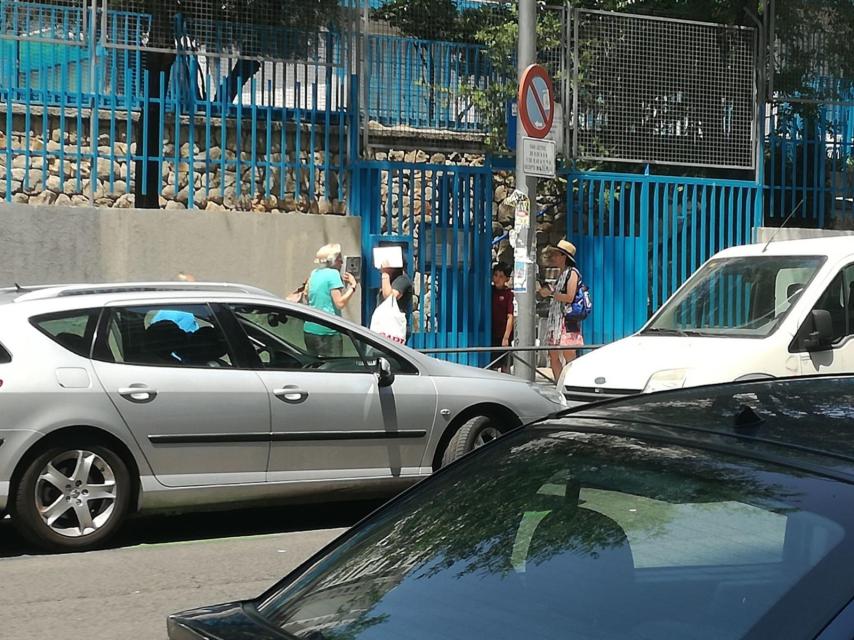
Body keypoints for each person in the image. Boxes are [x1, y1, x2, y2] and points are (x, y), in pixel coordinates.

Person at [539, 240, 584, 380]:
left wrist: (552, 293)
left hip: (566, 322)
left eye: (557, 254)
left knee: (569, 356)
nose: (554, 257)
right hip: (555, 322)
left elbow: (569, 297)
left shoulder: (572, 273)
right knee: (552, 355)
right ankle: (559, 384)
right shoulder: (561, 274)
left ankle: (573, 383)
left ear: (564, 256)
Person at [303, 243, 358, 357]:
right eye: (339, 259)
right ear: (332, 260)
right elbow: (340, 303)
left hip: (310, 329)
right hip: (328, 330)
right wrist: (353, 286)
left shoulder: (314, 273)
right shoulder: (333, 274)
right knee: (333, 366)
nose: (342, 262)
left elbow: (307, 296)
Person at [377, 252, 414, 341]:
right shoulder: (391, 281)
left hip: (394, 328)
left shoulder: (402, 280)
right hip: (386, 327)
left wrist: (385, 273)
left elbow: (389, 297)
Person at [490, 262, 514, 373]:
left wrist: (506, 337)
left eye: (501, 276)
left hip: (503, 334)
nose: (497, 279)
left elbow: (510, 317)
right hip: (491, 333)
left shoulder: (508, 294)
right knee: (492, 364)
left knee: (505, 364)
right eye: (495, 275)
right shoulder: (490, 291)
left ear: (507, 279)